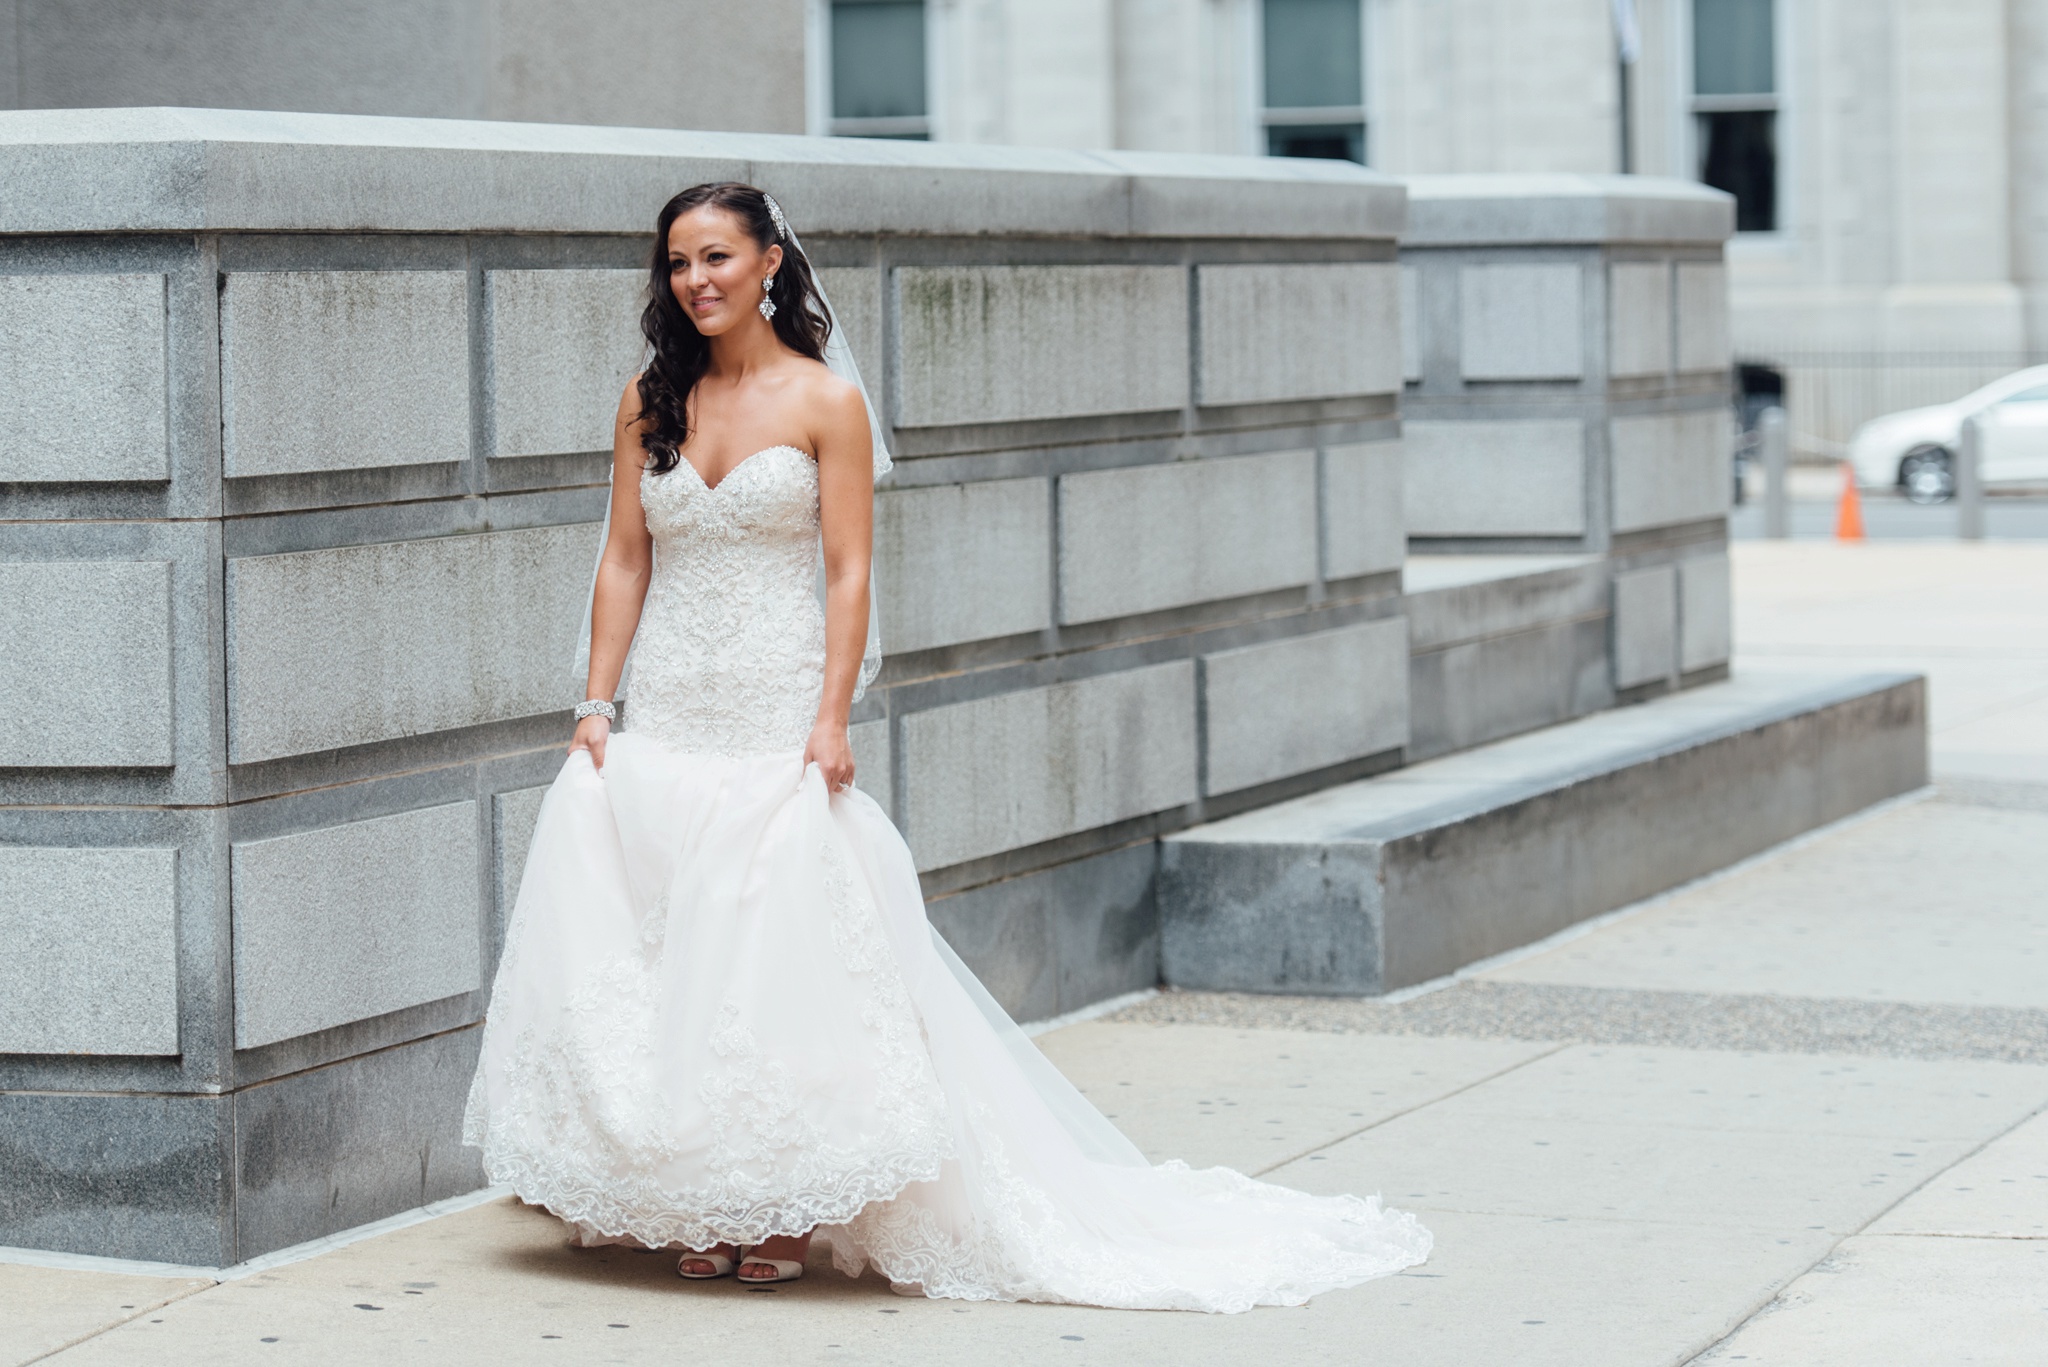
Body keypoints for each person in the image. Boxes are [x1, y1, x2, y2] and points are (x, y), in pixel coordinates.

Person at [463, 182, 1431, 1308]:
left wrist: (829, 716)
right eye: (678, 262)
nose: (698, 280)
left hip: (776, 706)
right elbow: (625, 557)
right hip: (671, 706)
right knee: (672, 945)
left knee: (781, 945)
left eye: (718, 256)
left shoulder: (826, 402)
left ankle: (788, 1204)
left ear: (769, 260)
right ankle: (698, 1193)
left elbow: (846, 572)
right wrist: (596, 699)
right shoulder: (648, 399)